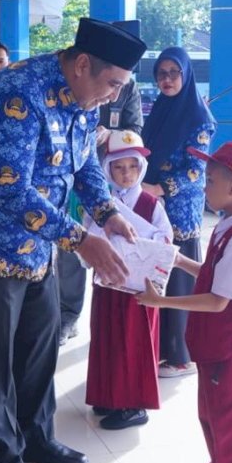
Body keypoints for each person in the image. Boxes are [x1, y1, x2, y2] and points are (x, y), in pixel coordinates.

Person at [0, 17, 145, 463]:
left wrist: (108, 212)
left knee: (38, 344)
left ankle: (36, 436)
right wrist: (80, 239)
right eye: (111, 84)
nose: (113, 97)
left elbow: (84, 161)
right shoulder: (16, 95)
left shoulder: (85, 99)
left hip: (33, 246)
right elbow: (10, 189)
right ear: (83, 64)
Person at [137, 141, 232, 463]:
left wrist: (161, 302)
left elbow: (217, 300)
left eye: (210, 180)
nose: (204, 186)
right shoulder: (227, 226)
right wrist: (178, 260)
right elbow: (212, 278)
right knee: (212, 418)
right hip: (215, 349)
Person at [84, 130, 173, 430]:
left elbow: (165, 238)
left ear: (141, 168)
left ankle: (134, 403)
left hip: (138, 290)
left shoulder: (151, 204)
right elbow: (89, 234)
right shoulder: (101, 203)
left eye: (132, 167)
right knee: (106, 337)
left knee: (133, 343)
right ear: (107, 169)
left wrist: (141, 240)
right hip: (109, 285)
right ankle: (108, 395)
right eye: (118, 168)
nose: (126, 174)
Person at [141, 46, 216, 378]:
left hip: (179, 209)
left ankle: (180, 356)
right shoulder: (160, 108)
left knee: (179, 280)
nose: (167, 80)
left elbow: (195, 171)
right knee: (158, 272)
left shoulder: (200, 118)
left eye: (174, 73)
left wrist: (160, 188)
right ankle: (159, 347)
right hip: (152, 206)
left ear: (186, 75)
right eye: (161, 73)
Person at [57, 71, 143, 345]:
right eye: (111, 84)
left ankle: (114, 318)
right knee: (72, 248)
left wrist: (112, 134)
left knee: (117, 252)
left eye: (120, 85)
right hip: (76, 183)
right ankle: (68, 315)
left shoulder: (129, 88)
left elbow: (135, 131)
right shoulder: (68, 88)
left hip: (114, 181)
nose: (113, 94)